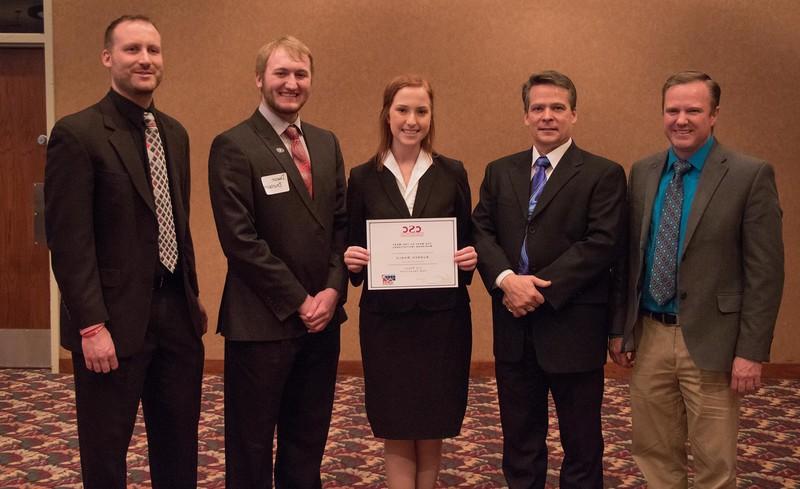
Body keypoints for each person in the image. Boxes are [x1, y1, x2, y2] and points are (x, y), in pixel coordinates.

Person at [44, 15, 206, 489]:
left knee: (179, 448)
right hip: (110, 324)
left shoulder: (173, 133)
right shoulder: (77, 133)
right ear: (107, 57)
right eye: (132, 49)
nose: (145, 60)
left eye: (153, 51)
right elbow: (69, 242)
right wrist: (91, 325)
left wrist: (190, 296)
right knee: (106, 454)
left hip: (176, 315)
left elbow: (176, 222)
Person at [610, 70, 784, 488]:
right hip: (650, 334)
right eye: (673, 110)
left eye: (693, 110)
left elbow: (766, 272)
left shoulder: (749, 174)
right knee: (653, 451)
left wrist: (751, 350)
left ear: (715, 114)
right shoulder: (645, 170)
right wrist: (621, 329)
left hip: (713, 341)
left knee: (714, 459)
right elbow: (631, 259)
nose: (681, 119)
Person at [472, 70, 627, 488]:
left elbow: (601, 244)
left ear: (573, 114)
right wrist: (507, 279)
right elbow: (480, 232)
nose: (547, 116)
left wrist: (535, 289)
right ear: (525, 116)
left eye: (557, 107)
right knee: (520, 441)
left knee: (581, 443)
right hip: (513, 326)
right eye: (538, 108)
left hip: (572, 327)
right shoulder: (499, 171)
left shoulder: (603, 173)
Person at [208, 35, 347, 489]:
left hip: (322, 321)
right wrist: (298, 300)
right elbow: (240, 240)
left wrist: (331, 291)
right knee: (250, 446)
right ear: (259, 79)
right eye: (281, 73)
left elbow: (340, 227)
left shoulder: (326, 144)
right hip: (261, 321)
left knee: (307, 440)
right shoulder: (233, 145)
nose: (291, 83)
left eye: (301, 74)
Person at [343, 74, 477, 489]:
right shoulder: (362, 177)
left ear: (431, 116)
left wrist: (469, 258)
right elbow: (352, 248)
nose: (411, 120)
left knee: (432, 417)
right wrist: (352, 259)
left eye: (421, 110)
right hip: (387, 322)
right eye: (402, 110)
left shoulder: (452, 172)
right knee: (396, 419)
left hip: (442, 321)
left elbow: (468, 245)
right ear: (387, 114)